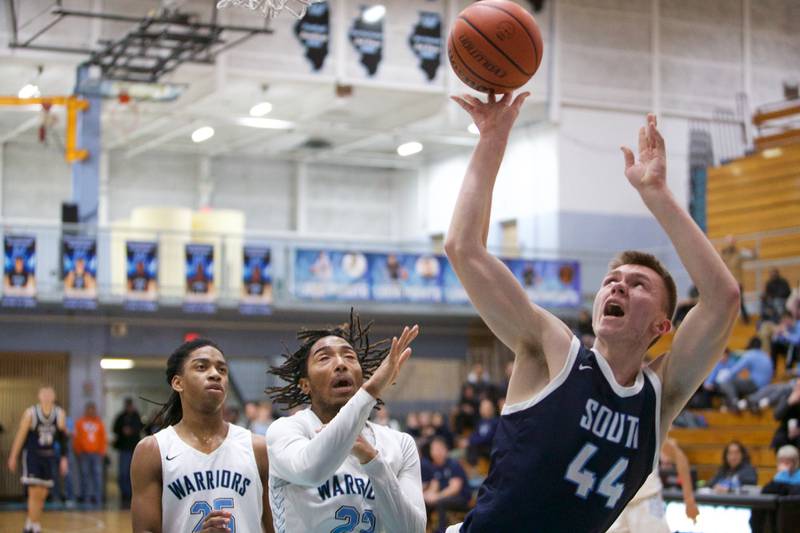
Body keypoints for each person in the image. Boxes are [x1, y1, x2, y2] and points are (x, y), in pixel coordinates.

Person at [445, 92, 740, 532]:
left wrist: (656, 193)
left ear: (663, 325)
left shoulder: (658, 396)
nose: (619, 283)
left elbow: (724, 298)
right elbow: (463, 249)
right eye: (612, 280)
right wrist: (492, 138)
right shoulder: (553, 349)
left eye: (638, 284)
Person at [265, 312, 426, 532]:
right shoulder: (287, 430)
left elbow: (412, 530)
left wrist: (371, 459)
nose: (341, 364)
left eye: (350, 357)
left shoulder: (400, 443)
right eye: (324, 358)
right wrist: (371, 390)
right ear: (305, 385)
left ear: (361, 375)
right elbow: (311, 471)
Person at [130, 339, 273, 533]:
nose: (215, 374)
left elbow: (277, 528)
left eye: (222, 370)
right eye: (201, 367)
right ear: (178, 382)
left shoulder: (258, 448)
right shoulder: (152, 451)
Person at [5, 386, 69, 533]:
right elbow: (20, 436)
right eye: (44, 394)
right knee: (34, 493)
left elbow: (63, 438)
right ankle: (34, 526)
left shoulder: (59, 413)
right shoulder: (31, 413)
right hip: (33, 456)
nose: (46, 396)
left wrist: (64, 458)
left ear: (54, 396)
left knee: (43, 494)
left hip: (49, 457)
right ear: (39, 396)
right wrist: (13, 456)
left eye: (49, 394)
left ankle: (30, 522)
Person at [608, 438, 698, 533]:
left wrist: (689, 501)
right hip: (616, 504)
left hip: (646, 501)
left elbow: (680, 458)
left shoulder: (647, 430)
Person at [423, 437, 472, 533]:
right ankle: (426, 529)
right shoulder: (435, 466)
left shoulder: (453, 464)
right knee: (425, 503)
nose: (435, 452)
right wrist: (426, 495)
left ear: (445, 450)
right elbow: (434, 485)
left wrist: (437, 496)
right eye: (433, 449)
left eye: (438, 449)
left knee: (441, 502)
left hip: (462, 498)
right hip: (445, 497)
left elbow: (454, 488)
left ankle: (442, 531)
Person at [716, 337, 774, 412]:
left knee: (727, 382)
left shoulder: (750, 354)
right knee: (738, 381)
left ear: (750, 345)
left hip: (755, 385)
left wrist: (723, 379)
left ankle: (734, 403)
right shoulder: (765, 355)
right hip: (765, 386)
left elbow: (735, 370)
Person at [73, 402, 106, 508]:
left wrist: (102, 452)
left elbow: (103, 439)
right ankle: (86, 498)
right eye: (89, 409)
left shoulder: (99, 423)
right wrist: (78, 451)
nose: (91, 411)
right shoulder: (80, 423)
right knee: (85, 476)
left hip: (96, 454)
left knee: (97, 476)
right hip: (84, 454)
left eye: (93, 409)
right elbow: (76, 438)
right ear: (86, 410)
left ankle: (98, 498)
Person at [113, 398, 143, 508]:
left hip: (134, 449)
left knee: (133, 473)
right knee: (123, 473)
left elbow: (141, 428)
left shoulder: (136, 416)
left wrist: (132, 430)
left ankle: (132, 494)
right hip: (124, 449)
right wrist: (123, 430)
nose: (129, 407)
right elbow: (115, 428)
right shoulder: (121, 417)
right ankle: (124, 493)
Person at [719, 235, 752, 323]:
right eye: (728, 243)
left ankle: (745, 319)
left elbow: (752, 256)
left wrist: (751, 251)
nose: (729, 245)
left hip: (738, 282)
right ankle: (726, 320)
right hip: (727, 283)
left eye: (731, 243)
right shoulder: (723, 255)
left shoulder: (739, 254)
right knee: (726, 303)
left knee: (740, 302)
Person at [466, 399, 498, 466]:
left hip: (489, 448)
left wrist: (472, 441)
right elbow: (474, 434)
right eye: (482, 407)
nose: (483, 409)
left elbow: (488, 438)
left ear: (492, 409)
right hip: (479, 446)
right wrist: (469, 440)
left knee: (474, 447)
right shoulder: (481, 422)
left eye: (486, 408)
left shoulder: (495, 422)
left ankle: (474, 469)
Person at [771, 378, 800, 450]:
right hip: (787, 430)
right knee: (779, 438)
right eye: (797, 387)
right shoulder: (788, 396)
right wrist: (789, 403)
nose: (798, 390)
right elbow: (776, 416)